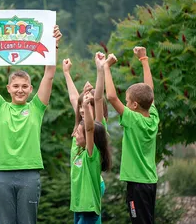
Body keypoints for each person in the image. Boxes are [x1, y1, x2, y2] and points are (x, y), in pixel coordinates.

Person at [0, 25, 62, 224]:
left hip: (29, 175)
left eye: (24, 86)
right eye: (16, 86)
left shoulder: (37, 107)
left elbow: (49, 74)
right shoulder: (0, 107)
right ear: (8, 88)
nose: (20, 90)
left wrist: (54, 45)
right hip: (2, 175)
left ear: (30, 89)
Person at [103, 47, 159, 224]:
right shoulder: (153, 117)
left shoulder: (132, 119)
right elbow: (149, 90)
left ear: (134, 105)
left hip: (137, 184)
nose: (125, 104)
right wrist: (144, 59)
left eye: (127, 101)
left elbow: (111, 97)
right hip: (150, 181)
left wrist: (106, 67)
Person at [63, 57, 109, 224]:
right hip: (80, 188)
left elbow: (97, 99)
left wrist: (100, 70)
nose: (83, 109)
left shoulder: (96, 125)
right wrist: (66, 73)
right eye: (81, 107)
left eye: (86, 106)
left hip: (91, 181)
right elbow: (75, 99)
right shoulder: (79, 128)